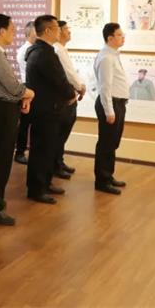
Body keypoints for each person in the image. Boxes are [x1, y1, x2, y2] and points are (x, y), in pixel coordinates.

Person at [0, 14, 34, 225]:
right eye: (11, 30)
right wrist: (29, 93)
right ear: (1, 31)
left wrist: (22, 96)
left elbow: (10, 87)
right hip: (1, 110)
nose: (14, 33)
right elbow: (12, 86)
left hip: (0, 108)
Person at [24, 16, 76, 204]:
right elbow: (58, 79)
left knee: (48, 149)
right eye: (57, 28)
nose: (60, 31)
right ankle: (37, 189)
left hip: (49, 108)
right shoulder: (43, 53)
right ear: (47, 31)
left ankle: (45, 183)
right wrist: (70, 94)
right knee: (41, 150)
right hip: (45, 110)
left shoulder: (44, 51)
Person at [93, 22, 129, 195]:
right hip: (110, 104)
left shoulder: (113, 55)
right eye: (120, 35)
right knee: (106, 143)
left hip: (117, 103)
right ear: (110, 38)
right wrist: (109, 111)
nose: (123, 38)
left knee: (112, 142)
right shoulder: (106, 58)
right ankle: (102, 180)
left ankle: (108, 175)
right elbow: (105, 87)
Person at [53, 20, 86, 179]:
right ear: (58, 31)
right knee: (60, 134)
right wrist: (80, 86)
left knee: (63, 133)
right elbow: (68, 73)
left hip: (69, 96)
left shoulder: (62, 49)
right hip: (64, 98)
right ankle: (55, 164)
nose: (69, 31)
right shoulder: (57, 50)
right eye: (66, 29)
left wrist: (78, 86)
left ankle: (59, 161)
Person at [14, 21, 35, 165]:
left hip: (34, 87)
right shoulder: (25, 50)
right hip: (27, 86)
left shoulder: (34, 49)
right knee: (25, 123)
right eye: (35, 31)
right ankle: (19, 152)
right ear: (28, 33)